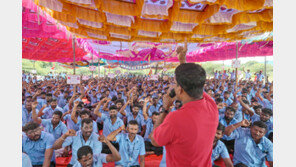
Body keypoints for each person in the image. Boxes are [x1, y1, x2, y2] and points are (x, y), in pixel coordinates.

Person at [149, 62, 219, 166]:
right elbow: (193, 83)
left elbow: (154, 140)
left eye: (175, 84)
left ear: (180, 89)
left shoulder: (175, 118)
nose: (173, 86)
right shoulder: (212, 106)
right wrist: (182, 61)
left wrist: (165, 109)